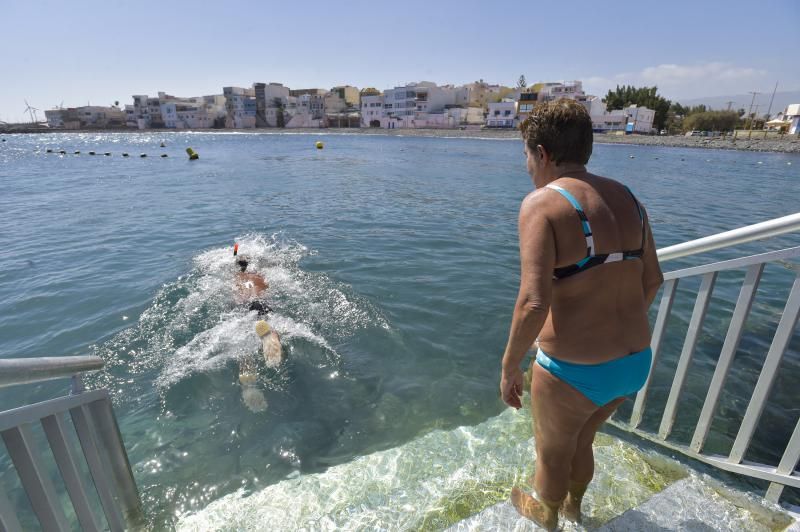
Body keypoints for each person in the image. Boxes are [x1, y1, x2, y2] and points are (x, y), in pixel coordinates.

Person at [499, 99, 663, 530]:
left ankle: (548, 517)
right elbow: (653, 280)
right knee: (583, 439)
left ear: (543, 153)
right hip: (633, 361)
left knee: (551, 452)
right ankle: (574, 509)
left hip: (573, 370)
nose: (526, 165)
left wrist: (510, 365)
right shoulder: (628, 198)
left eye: (525, 155)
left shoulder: (542, 204)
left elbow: (533, 302)